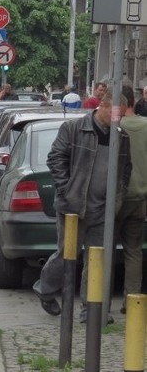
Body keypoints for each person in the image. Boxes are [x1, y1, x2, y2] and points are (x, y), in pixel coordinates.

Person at [32, 91, 131, 321]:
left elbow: (126, 170)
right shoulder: (74, 129)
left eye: (122, 117)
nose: (119, 121)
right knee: (67, 254)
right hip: (73, 206)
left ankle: (91, 310)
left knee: (97, 259)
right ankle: (45, 289)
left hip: (103, 209)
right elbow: (55, 158)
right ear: (103, 107)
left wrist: (118, 197)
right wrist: (66, 189)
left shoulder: (122, 137)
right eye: (117, 115)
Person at [117, 85, 147, 313]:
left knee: (101, 249)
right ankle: (132, 300)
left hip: (115, 199)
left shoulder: (114, 128)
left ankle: (98, 305)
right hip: (140, 198)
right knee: (133, 250)